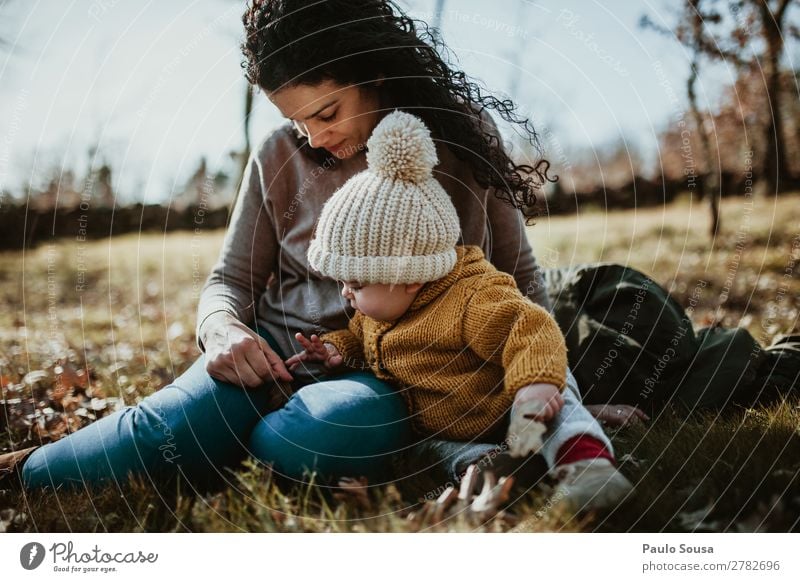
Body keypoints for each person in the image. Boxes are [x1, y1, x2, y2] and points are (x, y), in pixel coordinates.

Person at [1, 0, 628, 512]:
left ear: (373, 71)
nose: (316, 137)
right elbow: (229, 280)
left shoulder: (461, 145)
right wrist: (221, 330)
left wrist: (555, 398)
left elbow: (522, 290)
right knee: (166, 429)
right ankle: (22, 473)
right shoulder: (278, 156)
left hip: (382, 377)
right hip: (270, 355)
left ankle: (233, 444)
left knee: (317, 440)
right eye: (300, 123)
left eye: (327, 112)